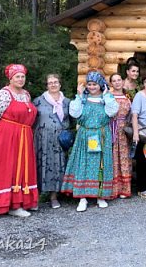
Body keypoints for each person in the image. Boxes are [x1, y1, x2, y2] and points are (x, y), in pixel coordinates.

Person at [0, 64, 38, 217]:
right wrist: (3, 133)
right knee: (7, 167)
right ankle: (8, 205)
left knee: (22, 167)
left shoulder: (26, 95)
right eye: (17, 76)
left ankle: (22, 202)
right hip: (7, 136)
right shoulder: (3, 94)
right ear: (10, 78)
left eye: (22, 76)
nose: (20, 79)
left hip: (24, 135)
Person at [61, 71, 119, 211]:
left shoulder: (106, 98)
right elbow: (74, 113)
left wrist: (106, 95)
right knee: (83, 164)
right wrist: (79, 95)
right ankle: (82, 197)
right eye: (90, 84)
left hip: (101, 134)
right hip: (85, 135)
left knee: (101, 164)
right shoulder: (82, 99)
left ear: (100, 85)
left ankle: (101, 196)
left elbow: (112, 111)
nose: (92, 87)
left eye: (95, 84)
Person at [32, 74, 71, 209]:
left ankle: (54, 197)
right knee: (40, 165)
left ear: (60, 84)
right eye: (50, 83)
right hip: (42, 140)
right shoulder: (38, 101)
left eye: (56, 82)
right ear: (47, 85)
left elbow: (72, 121)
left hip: (59, 141)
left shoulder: (67, 102)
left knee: (56, 166)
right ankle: (35, 197)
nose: (53, 84)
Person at [110, 73, 133, 198]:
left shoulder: (127, 96)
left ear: (122, 81)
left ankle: (124, 189)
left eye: (119, 80)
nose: (117, 82)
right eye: (114, 81)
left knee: (124, 158)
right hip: (111, 128)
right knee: (113, 158)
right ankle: (113, 189)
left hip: (124, 130)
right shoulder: (107, 96)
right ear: (111, 83)